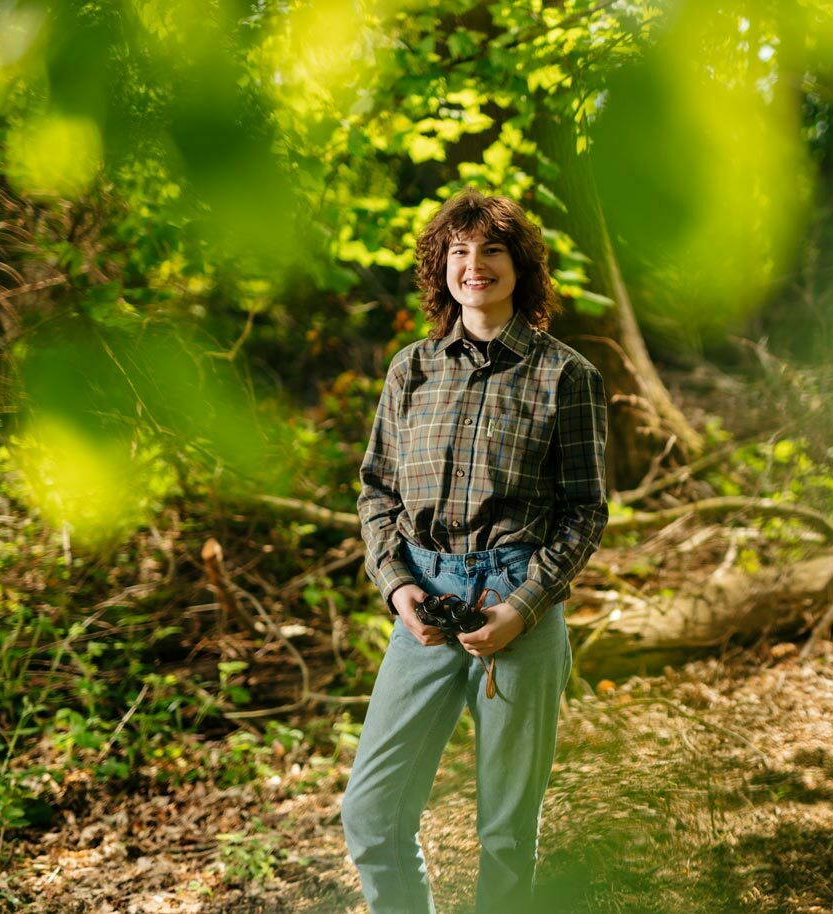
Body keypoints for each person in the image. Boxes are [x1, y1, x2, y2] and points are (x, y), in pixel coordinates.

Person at [341, 187, 609, 914]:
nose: (474, 265)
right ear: (442, 269)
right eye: (458, 251)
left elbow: (586, 512)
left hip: (518, 605)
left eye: (490, 249)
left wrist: (523, 610)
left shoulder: (566, 377)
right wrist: (399, 588)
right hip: (423, 604)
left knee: (505, 836)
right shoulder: (412, 370)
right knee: (370, 813)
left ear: (519, 265)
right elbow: (377, 493)